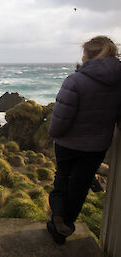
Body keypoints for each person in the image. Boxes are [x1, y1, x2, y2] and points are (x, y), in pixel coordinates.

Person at [47, 36, 121, 244]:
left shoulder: (75, 81)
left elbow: (61, 118)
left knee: (62, 179)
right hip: (97, 147)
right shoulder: (118, 83)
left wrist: (54, 133)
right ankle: (66, 225)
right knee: (79, 188)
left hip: (68, 145)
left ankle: (58, 219)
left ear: (89, 55)